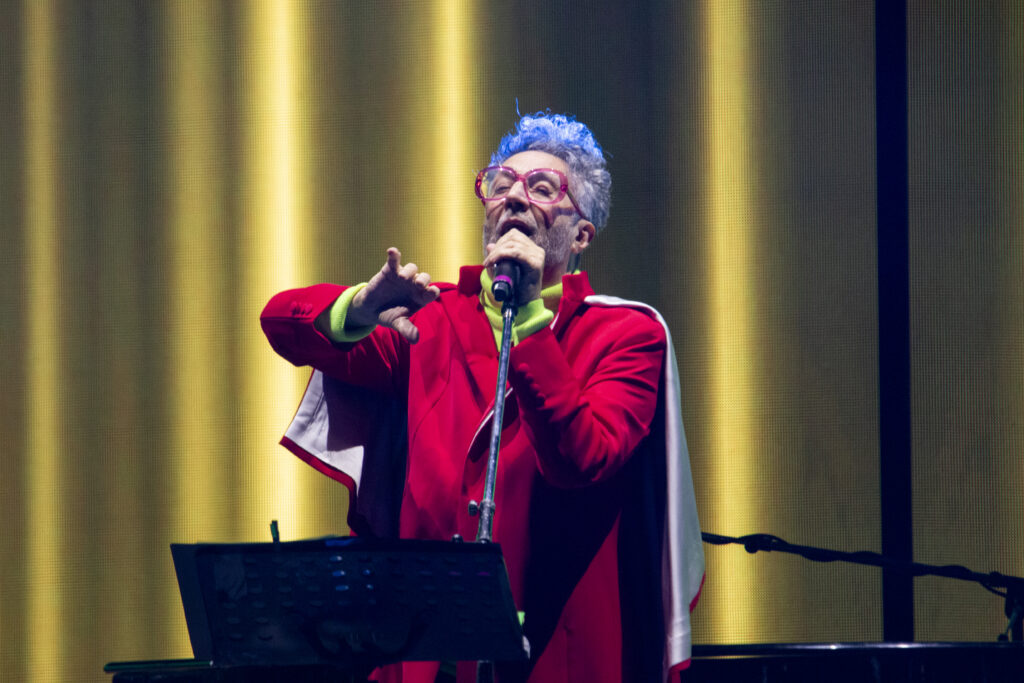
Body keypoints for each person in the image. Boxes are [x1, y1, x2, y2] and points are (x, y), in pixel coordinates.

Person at [261, 112, 704, 683]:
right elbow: (281, 322)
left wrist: (529, 325)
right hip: (423, 660)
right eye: (501, 185)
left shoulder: (628, 335)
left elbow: (578, 459)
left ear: (582, 233)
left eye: (542, 189)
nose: (515, 199)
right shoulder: (431, 318)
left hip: (552, 660)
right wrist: (362, 309)